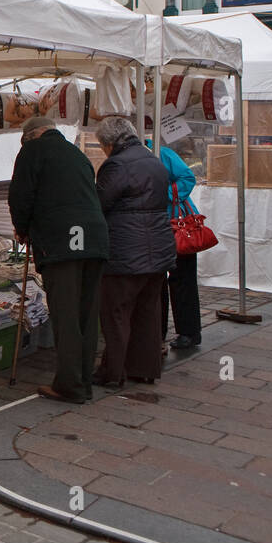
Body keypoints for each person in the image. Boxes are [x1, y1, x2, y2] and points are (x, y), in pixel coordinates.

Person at [8, 115, 110, 404]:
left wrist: (23, 229)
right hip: (94, 238)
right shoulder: (77, 153)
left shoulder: (32, 151)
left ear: (31, 136)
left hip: (62, 240)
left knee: (65, 316)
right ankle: (82, 381)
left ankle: (71, 386)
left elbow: (20, 195)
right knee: (87, 316)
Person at [94, 117, 178, 387]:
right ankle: (144, 369)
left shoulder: (117, 165)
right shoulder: (153, 160)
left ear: (109, 143)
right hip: (158, 249)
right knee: (148, 313)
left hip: (126, 251)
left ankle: (113, 373)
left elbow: (100, 203)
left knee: (116, 313)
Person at [152, 141, 202, 350]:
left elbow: (188, 177)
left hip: (176, 224)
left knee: (182, 279)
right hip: (153, 226)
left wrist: (164, 196)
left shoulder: (162, 153)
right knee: (155, 282)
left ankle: (189, 333)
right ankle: (157, 331)